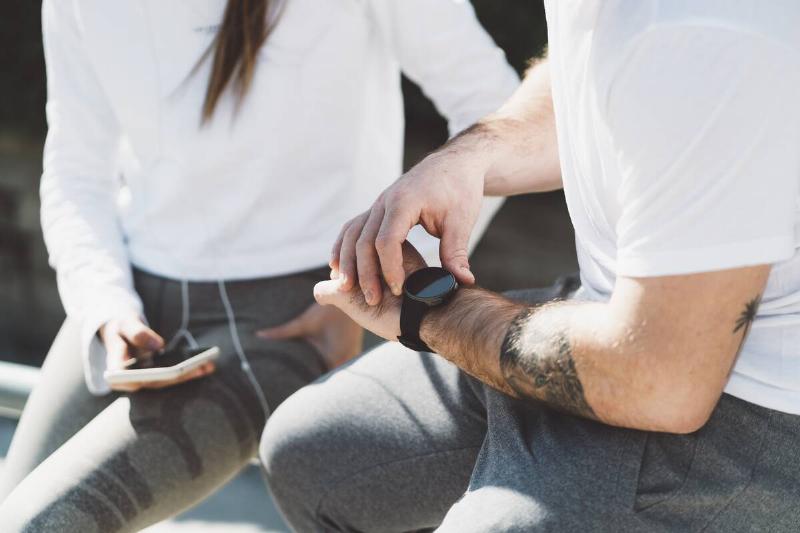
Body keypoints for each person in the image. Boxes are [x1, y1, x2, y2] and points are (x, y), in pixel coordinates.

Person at [259, 1, 800, 531]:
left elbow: (660, 378)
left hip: (752, 404)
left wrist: (434, 313)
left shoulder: (715, 37)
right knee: (311, 454)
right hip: (625, 316)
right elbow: (588, 70)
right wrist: (471, 156)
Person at [0, 0, 518, 530]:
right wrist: (105, 306)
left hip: (286, 322)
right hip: (129, 310)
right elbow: (74, 171)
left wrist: (391, 284)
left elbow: (492, 107)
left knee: (40, 523)